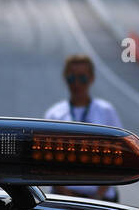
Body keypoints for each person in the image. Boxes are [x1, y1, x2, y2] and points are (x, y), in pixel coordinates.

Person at [44, 53, 124, 202]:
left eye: (82, 78)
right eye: (71, 78)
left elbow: (119, 155)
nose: (77, 84)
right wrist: (66, 194)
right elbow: (46, 160)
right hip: (61, 198)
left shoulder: (106, 111)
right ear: (65, 78)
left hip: (102, 200)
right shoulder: (54, 114)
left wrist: (99, 195)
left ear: (91, 78)